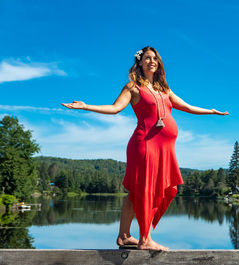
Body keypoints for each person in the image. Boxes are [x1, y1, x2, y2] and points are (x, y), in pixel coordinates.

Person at [62, 46, 229, 251]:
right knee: (145, 191)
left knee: (136, 192)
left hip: (164, 149)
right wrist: (86, 106)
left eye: (155, 58)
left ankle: (124, 236)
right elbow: (114, 109)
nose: (152, 61)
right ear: (140, 63)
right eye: (148, 58)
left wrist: (210, 111)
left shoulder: (164, 90)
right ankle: (145, 239)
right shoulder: (133, 87)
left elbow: (187, 107)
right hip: (145, 145)